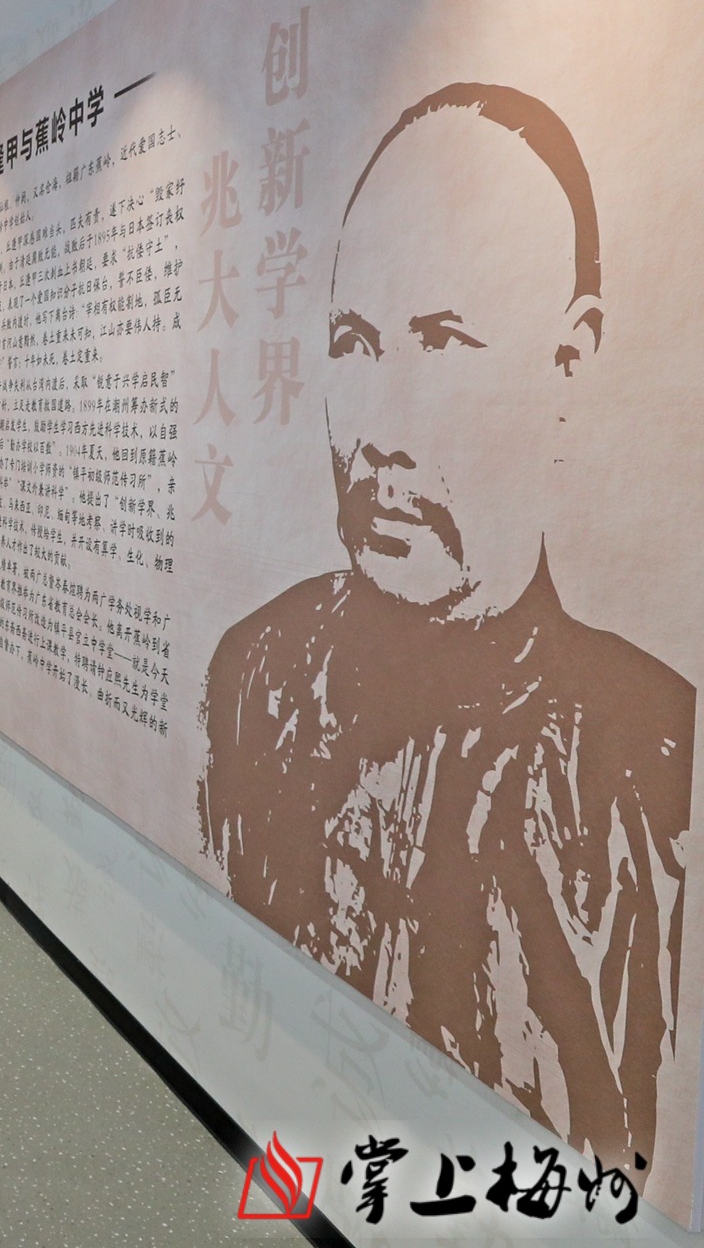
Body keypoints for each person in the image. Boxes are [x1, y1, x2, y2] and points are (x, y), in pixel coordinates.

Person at [200, 83, 692, 1176]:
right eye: (355, 343)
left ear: (569, 361)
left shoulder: (653, 753)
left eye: (441, 341)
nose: (379, 429)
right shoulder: (257, 673)